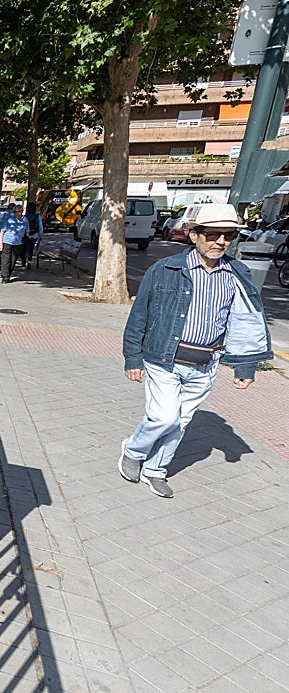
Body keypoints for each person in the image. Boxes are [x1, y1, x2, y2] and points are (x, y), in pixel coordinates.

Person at [118, 203, 272, 498]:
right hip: (164, 359)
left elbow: (245, 322)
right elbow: (140, 314)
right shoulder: (166, 269)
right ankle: (134, 450)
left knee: (182, 422)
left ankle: (155, 470)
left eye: (228, 235)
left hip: (206, 364)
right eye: (212, 234)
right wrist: (132, 357)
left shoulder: (237, 274)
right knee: (164, 417)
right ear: (194, 235)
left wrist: (245, 366)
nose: (221, 242)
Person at [0, 202, 28, 282]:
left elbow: (27, 231)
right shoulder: (9, 220)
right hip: (7, 241)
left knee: (13, 260)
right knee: (6, 260)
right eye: (15, 212)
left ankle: (8, 274)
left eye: (18, 211)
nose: (16, 213)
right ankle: (5, 277)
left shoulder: (25, 220)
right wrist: (0, 243)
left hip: (18, 243)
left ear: (22, 212)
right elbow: (2, 232)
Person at [22, 201, 44, 268]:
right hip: (34, 235)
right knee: (31, 248)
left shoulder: (25, 217)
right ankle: (29, 261)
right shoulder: (37, 216)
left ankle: (23, 263)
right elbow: (40, 226)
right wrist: (40, 234)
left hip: (26, 235)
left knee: (24, 249)